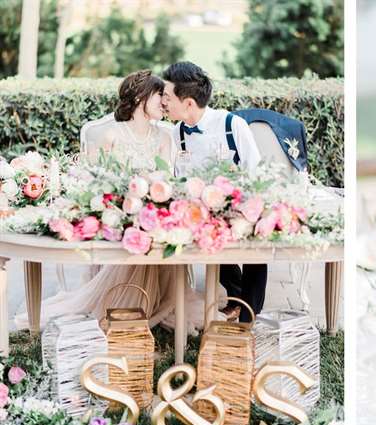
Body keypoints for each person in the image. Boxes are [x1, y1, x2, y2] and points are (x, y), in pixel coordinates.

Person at [15, 70, 226, 333]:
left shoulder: (164, 137)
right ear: (141, 97)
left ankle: (158, 302)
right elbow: (93, 179)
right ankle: (128, 303)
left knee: (164, 233)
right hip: (119, 212)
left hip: (151, 211)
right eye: (160, 94)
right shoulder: (110, 135)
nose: (164, 101)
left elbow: (167, 178)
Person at [161, 61, 267, 320]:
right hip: (203, 211)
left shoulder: (232, 125)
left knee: (254, 240)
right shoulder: (177, 133)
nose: (163, 102)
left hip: (242, 205)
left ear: (187, 102)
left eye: (167, 96)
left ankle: (249, 314)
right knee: (206, 231)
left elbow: (256, 172)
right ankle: (234, 296)